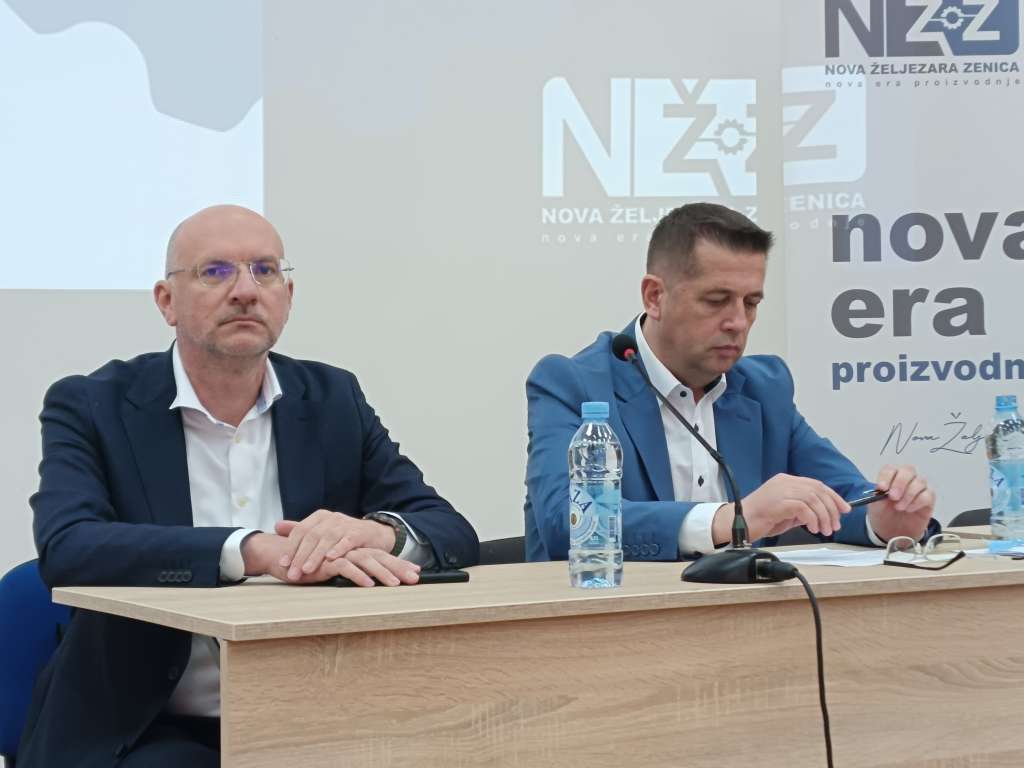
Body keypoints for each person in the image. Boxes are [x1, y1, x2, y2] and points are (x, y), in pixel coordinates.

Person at [19, 205, 479, 767]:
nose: (245, 291)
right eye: (215, 272)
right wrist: (252, 550)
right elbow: (69, 546)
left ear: (288, 295)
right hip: (143, 725)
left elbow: (450, 529)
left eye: (265, 271)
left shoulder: (332, 398)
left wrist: (378, 534)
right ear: (166, 301)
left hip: (316, 719)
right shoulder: (93, 404)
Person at [525, 202, 938, 562]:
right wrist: (734, 520)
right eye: (716, 301)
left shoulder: (763, 389)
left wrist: (884, 521)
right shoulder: (573, 385)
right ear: (654, 297)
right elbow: (569, 521)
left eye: (751, 302)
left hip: (746, 620)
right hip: (613, 619)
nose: (738, 322)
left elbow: (839, 496)